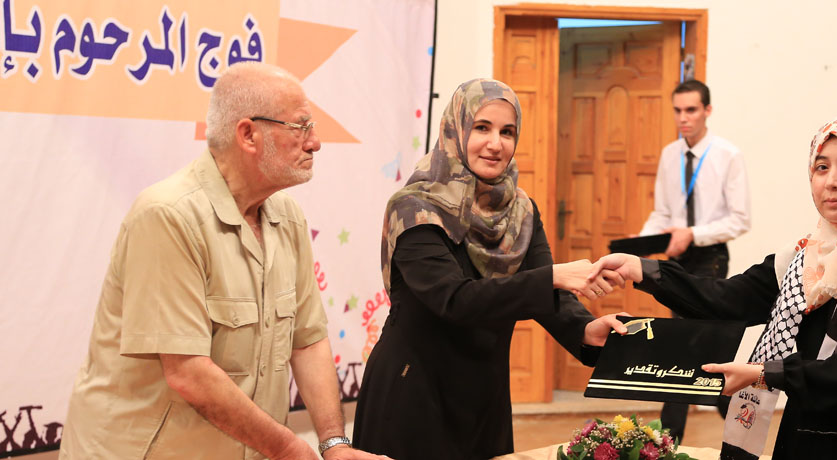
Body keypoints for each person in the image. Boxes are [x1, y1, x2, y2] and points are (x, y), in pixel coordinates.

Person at [60, 63, 384, 460]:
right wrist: (288, 449)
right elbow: (188, 373)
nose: (314, 143)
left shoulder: (287, 217)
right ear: (248, 135)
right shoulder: (167, 215)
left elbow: (308, 340)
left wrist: (334, 445)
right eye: (300, 127)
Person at [592, 112, 837, 460]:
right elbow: (727, 299)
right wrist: (644, 270)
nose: (831, 181)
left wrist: (766, 373)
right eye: (821, 167)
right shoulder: (807, 255)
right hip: (806, 433)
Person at [351, 78, 627, 460]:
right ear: (456, 129)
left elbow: (549, 294)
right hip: (413, 393)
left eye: (507, 132)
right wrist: (554, 277)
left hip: (484, 397)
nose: (496, 143)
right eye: (482, 127)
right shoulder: (416, 208)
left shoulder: (521, 211)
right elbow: (454, 299)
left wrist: (584, 328)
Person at [639, 79, 751, 441]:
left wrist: (693, 234)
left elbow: (740, 219)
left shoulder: (727, 154)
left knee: (687, 345)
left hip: (710, 259)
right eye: (677, 111)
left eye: (691, 110)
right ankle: (741, 426)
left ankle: (667, 438)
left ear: (707, 110)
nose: (683, 118)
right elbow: (662, 213)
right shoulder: (669, 155)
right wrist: (640, 245)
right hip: (677, 258)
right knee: (696, 346)